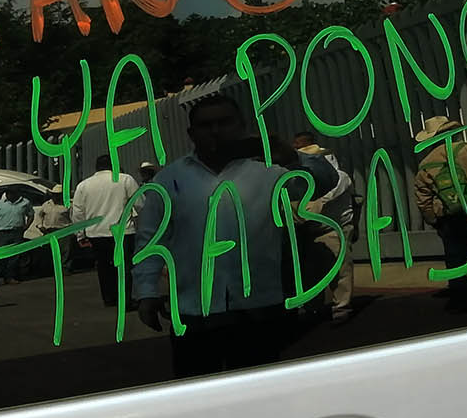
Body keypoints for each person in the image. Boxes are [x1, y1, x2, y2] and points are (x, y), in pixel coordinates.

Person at [132, 96, 336, 377]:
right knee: (199, 394)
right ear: (192, 133)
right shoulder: (169, 180)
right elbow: (149, 239)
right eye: (206, 125)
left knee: (259, 393)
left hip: (260, 305)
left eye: (224, 122)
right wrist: (147, 292)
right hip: (195, 309)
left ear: (241, 127)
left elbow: (325, 181)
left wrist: (290, 156)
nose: (216, 130)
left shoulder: (269, 173)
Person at [411, 114, 467, 312]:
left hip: (450, 216)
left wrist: (433, 220)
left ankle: (460, 299)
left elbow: (423, 198)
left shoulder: (426, 163)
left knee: (455, 257)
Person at [291, 131, 355, 323]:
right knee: (310, 272)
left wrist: (315, 204)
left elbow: (334, 188)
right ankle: (313, 308)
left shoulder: (337, 175)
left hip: (332, 228)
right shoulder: (298, 173)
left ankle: (341, 307)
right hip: (307, 231)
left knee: (340, 269)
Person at [69, 154, 140, 308]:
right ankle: (126, 301)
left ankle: (109, 298)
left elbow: (78, 213)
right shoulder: (125, 179)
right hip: (123, 232)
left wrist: (80, 235)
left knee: (104, 267)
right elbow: (140, 203)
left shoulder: (84, 185)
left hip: (96, 233)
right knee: (124, 267)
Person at [0, 187, 34, 287]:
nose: (9, 195)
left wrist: (26, 226)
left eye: (11, 193)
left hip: (16, 232)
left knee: (14, 257)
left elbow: (31, 215)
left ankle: (10, 277)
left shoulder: (25, 203)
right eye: (8, 193)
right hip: (1, 233)